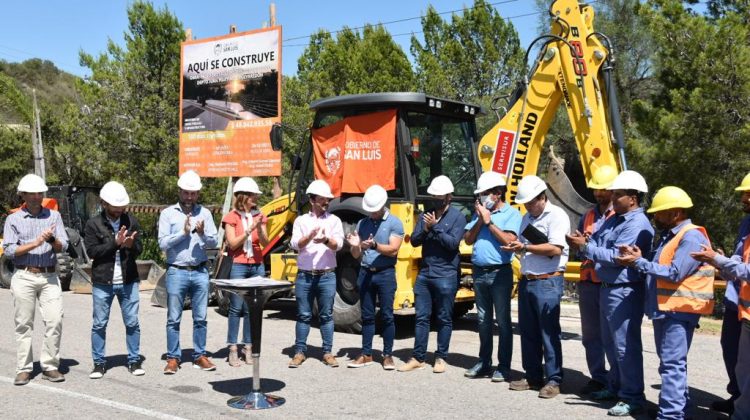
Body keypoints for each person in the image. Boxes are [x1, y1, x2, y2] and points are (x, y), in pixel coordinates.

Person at [616, 186, 714, 419]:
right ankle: (681, 410)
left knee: (672, 366)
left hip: (678, 312)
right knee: (672, 365)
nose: (655, 217)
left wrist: (638, 263)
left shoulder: (690, 236)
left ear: (676, 213)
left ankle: (670, 415)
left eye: (660, 213)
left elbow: (674, 272)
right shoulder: (672, 236)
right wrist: (640, 257)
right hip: (667, 310)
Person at [566, 170, 654, 416]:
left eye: (618, 194)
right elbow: (599, 244)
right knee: (610, 344)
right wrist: (585, 244)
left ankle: (633, 396)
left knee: (626, 346)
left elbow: (618, 257)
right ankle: (615, 387)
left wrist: (587, 248)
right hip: (607, 288)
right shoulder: (616, 219)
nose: (612, 198)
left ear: (633, 197)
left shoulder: (637, 224)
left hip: (624, 290)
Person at [502, 175, 569, 399]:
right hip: (528, 280)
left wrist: (526, 246)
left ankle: (553, 380)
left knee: (548, 332)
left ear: (542, 197)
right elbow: (525, 246)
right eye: (526, 203)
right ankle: (532, 376)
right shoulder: (526, 218)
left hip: (548, 280)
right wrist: (517, 247)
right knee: (528, 332)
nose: (528, 206)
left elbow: (556, 249)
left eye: (531, 202)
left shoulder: (557, 215)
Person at [692, 172, 750, 418]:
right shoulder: (747, 223)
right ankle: (738, 399)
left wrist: (718, 259)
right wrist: (722, 262)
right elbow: (739, 258)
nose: (744, 199)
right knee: (734, 355)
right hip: (738, 300)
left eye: (749, 194)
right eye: (744, 194)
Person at [3, 174, 69, 385]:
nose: (36, 197)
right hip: (24, 274)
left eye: (39, 193)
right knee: (24, 324)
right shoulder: (13, 219)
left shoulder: (53, 216)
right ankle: (24, 368)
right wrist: (36, 242)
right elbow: (11, 251)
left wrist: (52, 240)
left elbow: (63, 246)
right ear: (22, 195)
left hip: (49, 274)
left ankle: (50, 366)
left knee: (55, 320)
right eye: (31, 193)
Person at [398, 175, 467, 374]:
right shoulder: (426, 215)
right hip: (425, 273)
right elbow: (415, 241)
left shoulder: (458, 217)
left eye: (439, 195)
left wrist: (435, 228)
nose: (435, 198)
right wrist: (426, 227)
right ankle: (418, 357)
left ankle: (440, 358)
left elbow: (452, 244)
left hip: (446, 274)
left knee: (444, 318)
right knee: (421, 317)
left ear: (448, 197)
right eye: (433, 195)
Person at [463, 171, 521, 382]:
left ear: (498, 193)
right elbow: (468, 240)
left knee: (503, 322)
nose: (482, 198)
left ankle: (503, 366)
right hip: (479, 272)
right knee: (482, 320)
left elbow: (509, 242)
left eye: (485, 193)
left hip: (500, 273)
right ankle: (484, 362)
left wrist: (489, 222)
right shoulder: (480, 214)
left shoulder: (512, 214)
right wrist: (480, 221)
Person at [158, 170, 219, 374]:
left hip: (200, 271)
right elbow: (163, 243)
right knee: (173, 318)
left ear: (198, 194)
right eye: (186, 193)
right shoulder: (168, 214)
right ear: (179, 191)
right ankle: (173, 358)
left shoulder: (206, 213)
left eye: (193, 193)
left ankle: (199, 355)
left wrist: (201, 234)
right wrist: (183, 233)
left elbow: (214, 242)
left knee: (200, 317)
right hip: (177, 271)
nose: (189, 197)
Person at [84, 181, 144, 379]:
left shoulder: (131, 221)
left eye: (121, 206)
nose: (119, 210)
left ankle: (134, 361)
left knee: (132, 322)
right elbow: (92, 252)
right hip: (103, 281)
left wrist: (130, 245)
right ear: (104, 203)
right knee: (99, 323)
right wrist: (115, 243)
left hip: (128, 280)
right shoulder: (93, 224)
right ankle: (99, 363)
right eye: (115, 206)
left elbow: (139, 249)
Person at [568, 165, 617, 394]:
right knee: (591, 336)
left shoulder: (619, 216)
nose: (598, 194)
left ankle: (616, 382)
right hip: (588, 281)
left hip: (608, 283)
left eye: (603, 190)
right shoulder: (588, 215)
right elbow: (581, 246)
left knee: (611, 338)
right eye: (596, 189)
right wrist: (576, 244)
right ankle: (598, 377)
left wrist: (587, 246)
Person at [346, 185, 404, 370]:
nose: (372, 213)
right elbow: (356, 255)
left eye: (374, 210)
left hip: (385, 273)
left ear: (382, 205)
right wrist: (355, 245)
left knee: (387, 315)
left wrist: (375, 245)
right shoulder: (363, 223)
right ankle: (366, 354)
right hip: (365, 272)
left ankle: (388, 355)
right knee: (367, 316)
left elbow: (394, 249)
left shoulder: (395, 223)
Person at [288, 179, 345, 368]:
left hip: (327, 275)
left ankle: (327, 352)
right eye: (322, 199)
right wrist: (309, 237)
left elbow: (339, 245)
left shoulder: (334, 220)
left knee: (326, 315)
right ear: (312, 200)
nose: (326, 202)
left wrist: (326, 240)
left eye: (327, 199)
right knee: (303, 315)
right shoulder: (301, 221)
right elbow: (295, 244)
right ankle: (299, 352)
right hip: (305, 275)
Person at [220, 177, 269, 367]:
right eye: (253, 195)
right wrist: (248, 231)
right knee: (236, 307)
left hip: (257, 264)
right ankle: (232, 348)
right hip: (239, 264)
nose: (256, 197)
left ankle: (248, 347)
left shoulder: (260, 215)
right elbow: (232, 243)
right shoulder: (231, 217)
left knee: (252, 308)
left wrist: (260, 229)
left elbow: (265, 242)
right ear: (244, 197)